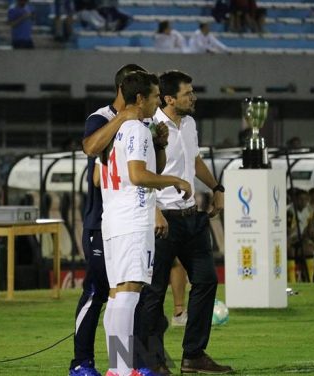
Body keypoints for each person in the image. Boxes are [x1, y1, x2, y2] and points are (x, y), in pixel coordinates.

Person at [100, 70, 192, 376]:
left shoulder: (124, 128)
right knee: (129, 293)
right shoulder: (137, 130)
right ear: (140, 99)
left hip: (114, 220)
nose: (156, 102)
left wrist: (161, 149)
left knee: (117, 295)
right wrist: (173, 179)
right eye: (154, 96)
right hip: (133, 221)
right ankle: (123, 370)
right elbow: (138, 175)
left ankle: (118, 367)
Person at [142, 70, 233, 374]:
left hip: (192, 216)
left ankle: (193, 354)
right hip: (163, 219)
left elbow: (194, 162)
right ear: (169, 99)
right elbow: (141, 173)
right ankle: (153, 360)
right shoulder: (150, 126)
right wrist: (153, 209)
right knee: (154, 292)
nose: (193, 97)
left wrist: (217, 188)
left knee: (207, 281)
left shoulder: (190, 124)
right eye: (188, 93)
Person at [69, 64, 147, 376]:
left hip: (131, 221)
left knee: (130, 293)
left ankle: (127, 365)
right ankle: (82, 363)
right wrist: (121, 118)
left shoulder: (143, 121)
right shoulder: (101, 118)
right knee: (98, 291)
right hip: (101, 222)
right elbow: (90, 148)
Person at [287, 188, 314, 283]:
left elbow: (309, 226)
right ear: (295, 200)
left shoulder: (308, 210)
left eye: (305, 199)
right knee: (291, 250)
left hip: (300, 239)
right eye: (301, 199)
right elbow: (288, 232)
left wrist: (308, 233)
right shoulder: (289, 211)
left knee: (309, 249)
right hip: (288, 240)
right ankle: (292, 281)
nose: (303, 202)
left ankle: (310, 281)